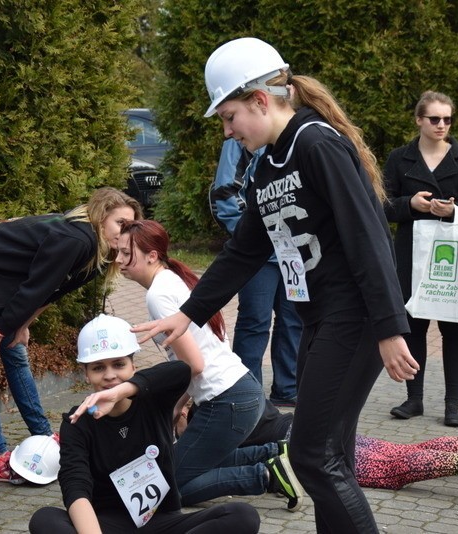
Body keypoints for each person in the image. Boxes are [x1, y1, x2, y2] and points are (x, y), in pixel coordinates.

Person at [132, 37, 419, 533]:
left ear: (260, 100)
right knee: (333, 455)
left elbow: (367, 235)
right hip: (318, 319)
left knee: (310, 456)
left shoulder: (317, 144)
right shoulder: (266, 166)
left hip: (354, 318)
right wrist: (188, 313)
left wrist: (391, 328)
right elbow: (243, 252)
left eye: (229, 117)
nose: (227, 131)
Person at [0, 187, 143, 483]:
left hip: (4, 278)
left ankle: (42, 435)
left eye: (130, 225)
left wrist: (22, 324)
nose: (124, 230)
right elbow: (34, 288)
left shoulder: (98, 254)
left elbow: (52, 290)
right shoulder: (76, 239)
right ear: (102, 218)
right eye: (120, 223)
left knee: (17, 355)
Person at [116, 219, 302, 510]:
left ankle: (266, 475)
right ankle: (275, 453)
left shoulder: (158, 295)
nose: (118, 260)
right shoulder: (174, 279)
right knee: (191, 461)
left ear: (151, 255)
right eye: (117, 252)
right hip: (241, 391)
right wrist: (179, 404)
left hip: (226, 402)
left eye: (126, 253)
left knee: (165, 488)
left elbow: (194, 364)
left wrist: (167, 396)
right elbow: (197, 358)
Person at [29, 314, 260, 534]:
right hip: (106, 525)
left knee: (242, 515)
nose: (110, 375)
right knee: (45, 519)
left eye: (118, 364)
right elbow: (75, 485)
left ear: (133, 366)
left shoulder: (154, 400)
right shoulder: (77, 422)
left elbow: (181, 370)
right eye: (98, 367)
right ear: (86, 374)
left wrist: (123, 391)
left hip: (163, 522)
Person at [383, 91, 458, 427]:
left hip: (451, 258)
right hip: (410, 252)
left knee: (454, 328)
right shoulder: (400, 159)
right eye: (434, 119)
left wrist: (454, 210)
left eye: (447, 119)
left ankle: (452, 404)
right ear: (419, 120)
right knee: (413, 325)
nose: (442, 125)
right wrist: (410, 204)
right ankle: (414, 399)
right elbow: (381, 206)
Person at [223, 405, 458, 512]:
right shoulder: (233, 384)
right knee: (404, 452)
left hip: (305, 445)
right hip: (305, 427)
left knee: (391, 470)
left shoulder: (209, 420)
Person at [210, 138, 302, 407]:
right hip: (258, 256)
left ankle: (288, 389)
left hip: (293, 253)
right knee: (255, 322)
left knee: (294, 320)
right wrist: (253, 238)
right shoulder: (241, 140)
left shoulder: (299, 139)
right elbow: (226, 193)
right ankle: (246, 395)